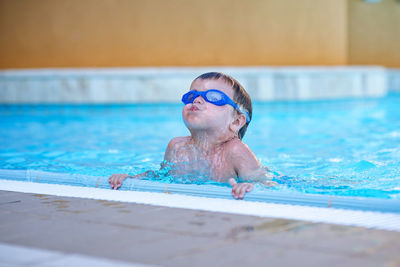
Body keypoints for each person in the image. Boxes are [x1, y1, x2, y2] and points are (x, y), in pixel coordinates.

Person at [109, 72, 275, 199]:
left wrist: (248, 187)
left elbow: (265, 183)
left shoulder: (235, 150)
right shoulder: (177, 147)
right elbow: (160, 176)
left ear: (237, 121)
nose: (197, 100)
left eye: (213, 97)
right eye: (192, 96)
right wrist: (131, 179)